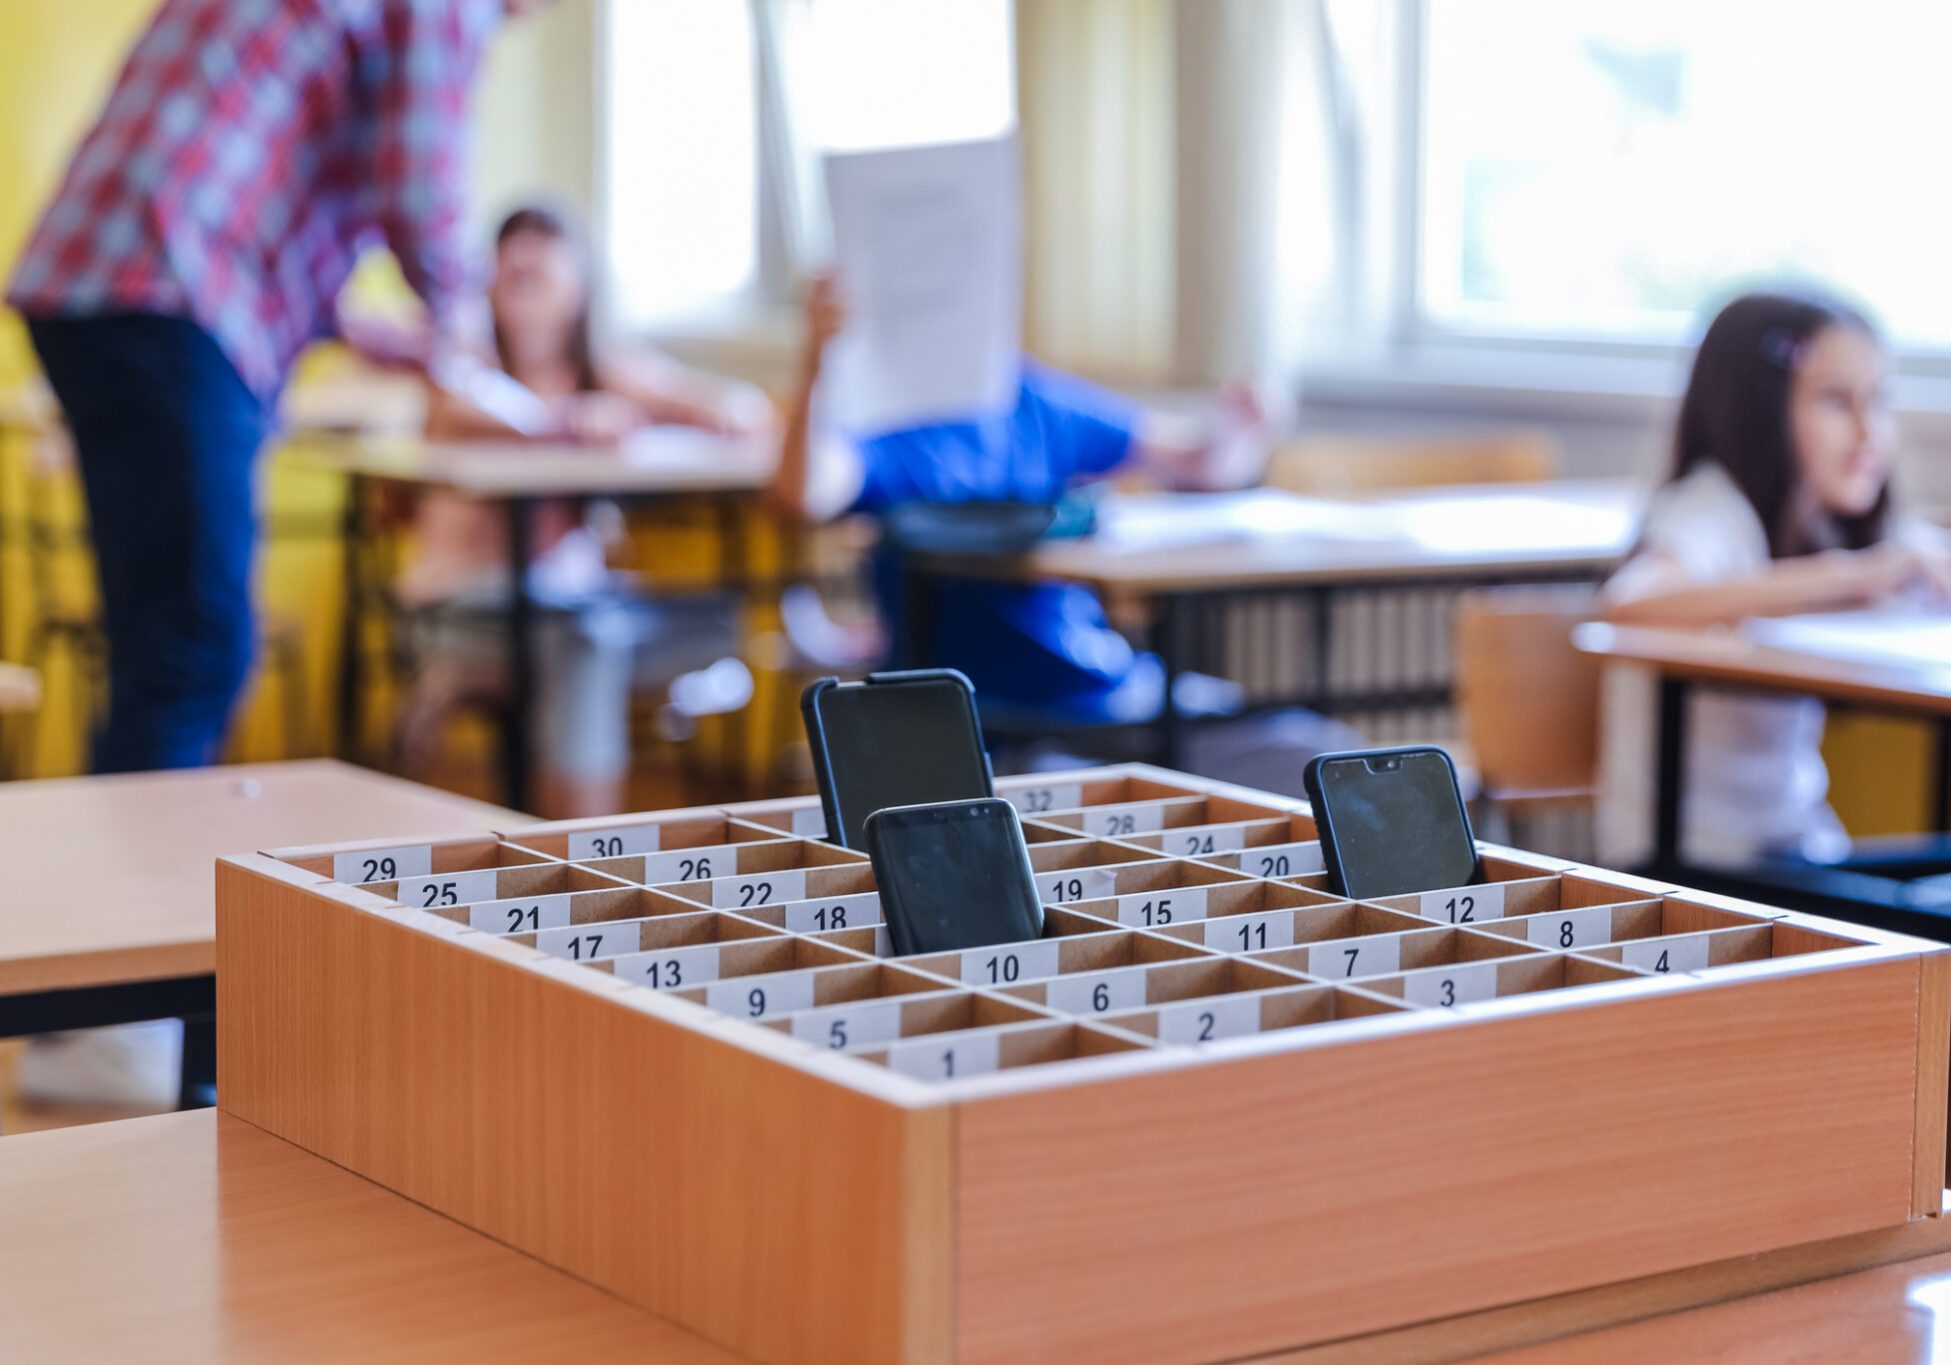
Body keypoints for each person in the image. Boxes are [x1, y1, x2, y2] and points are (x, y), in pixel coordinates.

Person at [6, 0, 540, 774]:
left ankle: (121, 844)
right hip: (170, 293)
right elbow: (421, 192)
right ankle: (149, 856)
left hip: (91, 281)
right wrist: (470, 346)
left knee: (160, 645)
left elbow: (236, 162)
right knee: (194, 649)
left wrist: (358, 325)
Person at [770, 275, 1360, 796]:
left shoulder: (1031, 399)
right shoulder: (890, 421)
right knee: (1093, 801)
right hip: (1005, 725)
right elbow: (805, 492)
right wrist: (818, 360)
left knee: (1325, 757)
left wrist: (1248, 422)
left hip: (1112, 687)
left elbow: (1199, 462)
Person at [394, 205, 771, 817]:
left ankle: (559, 814)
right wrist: (564, 422)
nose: (524, 268)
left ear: (581, 282)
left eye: (541, 260)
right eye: (512, 263)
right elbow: (459, 403)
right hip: (464, 606)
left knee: (717, 624)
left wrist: (679, 415)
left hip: (574, 603)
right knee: (586, 645)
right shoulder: (464, 364)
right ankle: (585, 850)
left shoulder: (605, 370)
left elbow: (738, 409)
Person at [1596, 289, 1951, 873]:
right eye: (1836, 401)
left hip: (1794, 849)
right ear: (1758, 411)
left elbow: (1906, 557)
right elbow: (1629, 603)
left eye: (1878, 400)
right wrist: (1847, 575)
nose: (1868, 432)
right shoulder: (1710, 510)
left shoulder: (1819, 525)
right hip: (1693, 868)